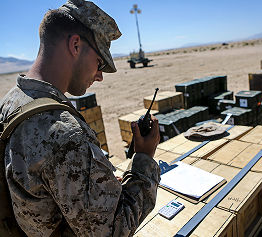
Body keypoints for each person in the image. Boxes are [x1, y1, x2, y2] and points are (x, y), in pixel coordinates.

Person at [0, 0, 161, 236]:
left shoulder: (14, 101)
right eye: (99, 62)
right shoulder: (64, 133)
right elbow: (114, 230)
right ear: (76, 45)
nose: (99, 76)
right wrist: (144, 159)